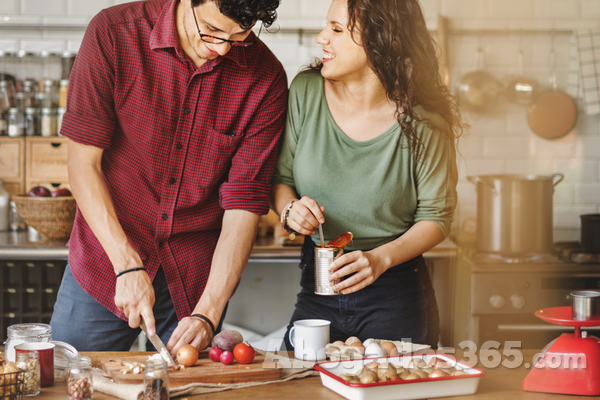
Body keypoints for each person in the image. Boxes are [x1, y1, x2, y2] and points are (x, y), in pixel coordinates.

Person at [50, 0, 288, 354]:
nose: (221, 49)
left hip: (193, 282)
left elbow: (244, 205)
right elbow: (83, 163)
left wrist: (208, 313)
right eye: (211, 31)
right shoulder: (114, 33)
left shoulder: (265, 78)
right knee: (70, 383)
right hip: (106, 263)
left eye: (239, 36)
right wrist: (127, 266)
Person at [271, 0, 463, 349]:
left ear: (381, 41)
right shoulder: (305, 91)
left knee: (391, 386)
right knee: (298, 385)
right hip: (318, 285)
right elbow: (281, 180)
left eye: (337, 29)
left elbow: (437, 217)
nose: (321, 38)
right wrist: (289, 210)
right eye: (326, 26)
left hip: (395, 293)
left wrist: (379, 260)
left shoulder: (424, 123)